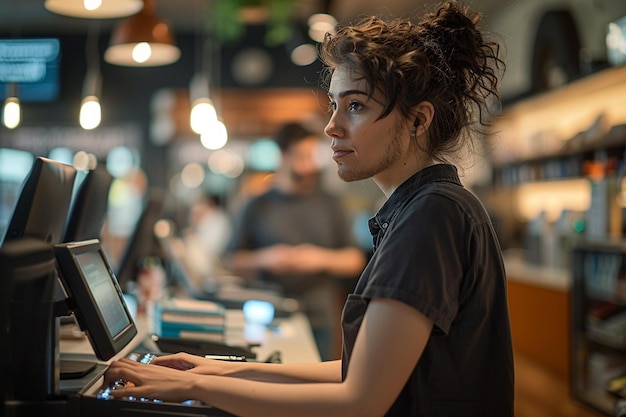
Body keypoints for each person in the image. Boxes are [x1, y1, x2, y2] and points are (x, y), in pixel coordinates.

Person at [103, 2, 514, 416]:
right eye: (334, 105)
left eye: (355, 106)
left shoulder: (432, 214)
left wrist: (194, 386)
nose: (331, 127)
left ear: (417, 121)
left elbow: (360, 401)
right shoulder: (425, 207)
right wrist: (214, 372)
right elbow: (359, 374)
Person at [223, 121, 367, 361]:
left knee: (312, 387)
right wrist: (266, 259)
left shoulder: (331, 203)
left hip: (318, 316)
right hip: (268, 316)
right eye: (302, 156)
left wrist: (318, 258)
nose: (309, 164)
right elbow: (231, 259)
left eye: (312, 156)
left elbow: (354, 260)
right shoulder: (257, 204)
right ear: (282, 155)